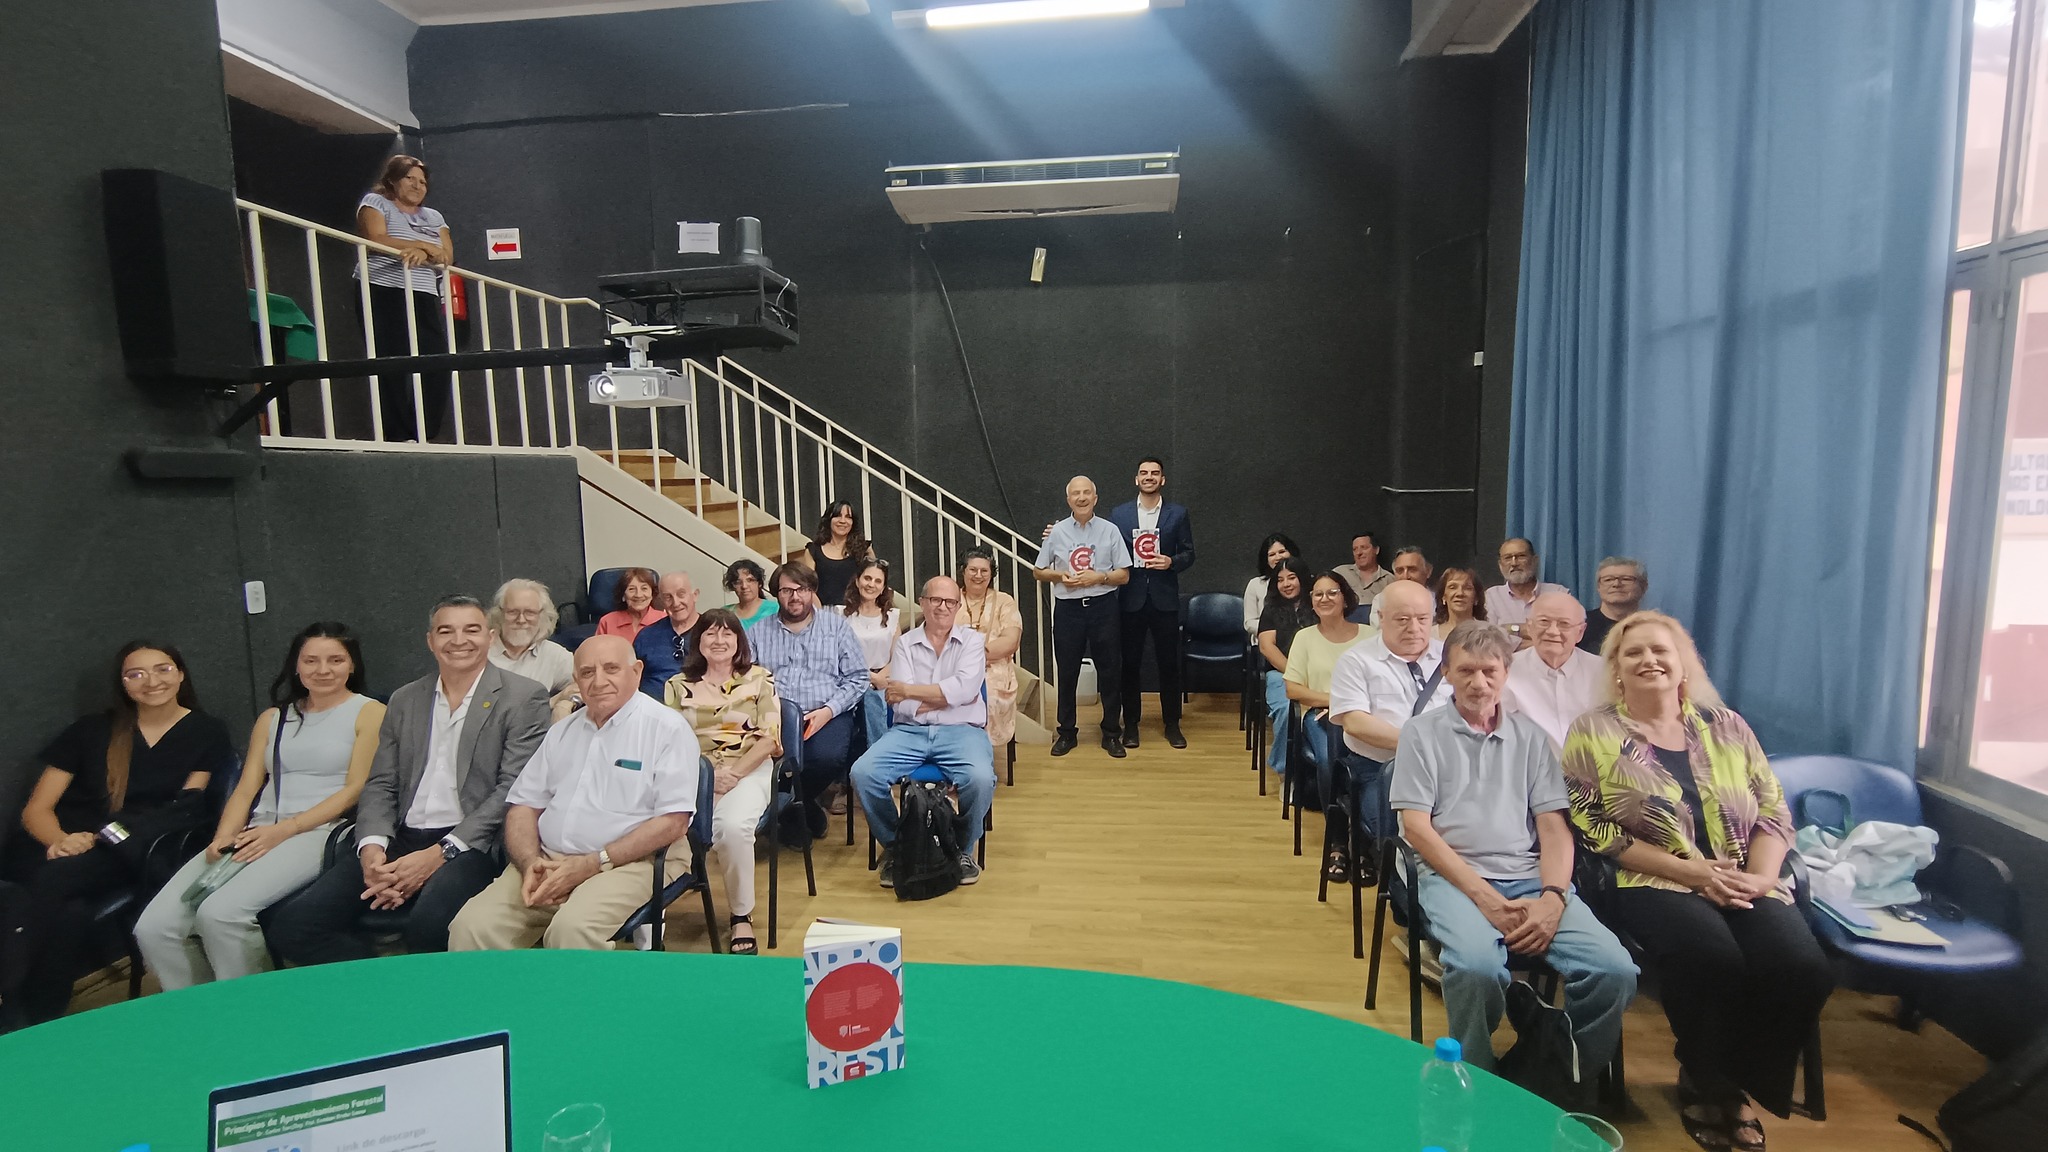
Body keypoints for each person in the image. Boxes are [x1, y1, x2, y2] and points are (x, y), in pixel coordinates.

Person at [1563, 611, 1831, 1149]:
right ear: (1616, 669)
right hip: (1654, 878)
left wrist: (1760, 879)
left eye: (1660, 650)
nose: (1649, 660)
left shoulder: (1727, 726)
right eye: (1633, 652)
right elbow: (1591, 823)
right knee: (1712, 959)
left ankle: (1738, 1076)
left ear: (1683, 662)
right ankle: (1706, 1080)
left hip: (1746, 875)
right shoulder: (1593, 730)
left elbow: (1773, 811)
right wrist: (1691, 872)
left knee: (1801, 966)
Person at [1391, 620, 1637, 1078]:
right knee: (1476, 967)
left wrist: (1552, 897)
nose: (1478, 683)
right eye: (1466, 671)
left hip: (1527, 875)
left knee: (1614, 969)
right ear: (1445, 673)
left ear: (1506, 673)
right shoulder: (1421, 735)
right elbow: (1418, 831)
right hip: (1452, 878)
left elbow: (1555, 829)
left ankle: (1568, 1072)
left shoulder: (1531, 738)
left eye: (1490, 671)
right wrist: (1485, 897)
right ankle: (1475, 1074)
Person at [265, 597, 551, 966]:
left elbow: (511, 790)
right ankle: (381, 995)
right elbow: (382, 782)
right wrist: (371, 848)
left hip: (471, 842)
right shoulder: (406, 699)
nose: (458, 640)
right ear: (430, 641)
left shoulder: (523, 697)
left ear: (490, 637)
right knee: (294, 926)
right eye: (446, 631)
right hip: (399, 837)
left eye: (471, 630)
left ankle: (427, 1011)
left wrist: (439, 854)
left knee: (430, 926)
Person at [134, 624, 385, 990]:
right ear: (296, 667)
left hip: (319, 832)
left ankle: (250, 1012)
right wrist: (224, 836)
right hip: (258, 829)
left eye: (335, 660)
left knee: (222, 915)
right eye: (311, 660)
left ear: (352, 666)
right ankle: (198, 1013)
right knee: (155, 927)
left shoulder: (369, 711)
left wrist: (286, 830)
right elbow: (247, 786)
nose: (323, 669)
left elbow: (355, 790)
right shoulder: (273, 718)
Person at [1, 643, 228, 1030]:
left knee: (49, 884)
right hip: (51, 847)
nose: (151, 681)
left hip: (125, 848)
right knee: (67, 914)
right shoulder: (91, 730)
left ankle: (8, 1001)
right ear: (122, 683)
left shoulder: (206, 731)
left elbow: (185, 808)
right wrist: (60, 841)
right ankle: (35, 1022)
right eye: (136, 674)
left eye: (162, 669)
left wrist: (96, 841)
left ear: (180, 673)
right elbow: (36, 810)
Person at [450, 636, 700, 952]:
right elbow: (523, 806)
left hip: (633, 862)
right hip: (547, 861)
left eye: (611, 669)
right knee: (471, 927)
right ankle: (499, 1002)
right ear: (576, 680)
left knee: (571, 932)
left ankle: (581, 1003)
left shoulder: (667, 729)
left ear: (636, 672)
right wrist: (530, 863)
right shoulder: (561, 732)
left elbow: (673, 822)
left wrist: (594, 862)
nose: (598, 681)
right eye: (586, 672)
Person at [854, 577, 995, 887]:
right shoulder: (905, 643)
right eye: (935, 600)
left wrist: (911, 691)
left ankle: (959, 848)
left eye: (950, 602)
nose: (942, 607)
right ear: (922, 602)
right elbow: (901, 704)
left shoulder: (972, 642)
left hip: (962, 732)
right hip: (910, 732)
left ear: (958, 606)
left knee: (981, 779)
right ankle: (897, 846)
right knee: (863, 772)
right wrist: (947, 699)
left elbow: (966, 689)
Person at [662, 610, 779, 954]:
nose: (719, 641)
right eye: (710, 634)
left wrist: (733, 775)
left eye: (727, 634)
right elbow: (668, 742)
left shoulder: (759, 679)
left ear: (738, 642)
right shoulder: (676, 685)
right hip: (692, 771)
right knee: (659, 823)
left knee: (731, 827)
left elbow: (770, 739)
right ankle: (652, 914)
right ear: (698, 641)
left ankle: (741, 915)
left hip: (747, 767)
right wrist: (705, 776)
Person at [1325, 581, 1454, 881]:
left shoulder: (1452, 658)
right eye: (1402, 619)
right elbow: (1354, 722)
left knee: (1466, 831)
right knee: (1408, 838)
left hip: (1451, 769)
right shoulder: (1357, 661)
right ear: (1381, 618)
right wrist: (1420, 747)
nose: (1414, 628)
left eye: (1423, 619)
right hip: (1380, 770)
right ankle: (1405, 900)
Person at [746, 561, 868, 841]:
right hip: (775, 717)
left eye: (802, 589)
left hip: (827, 712)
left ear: (812, 591)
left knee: (826, 758)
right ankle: (800, 810)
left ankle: (785, 807)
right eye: (786, 590)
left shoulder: (837, 628)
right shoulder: (758, 632)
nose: (795, 597)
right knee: (777, 760)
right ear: (775, 594)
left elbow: (859, 678)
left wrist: (828, 711)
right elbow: (747, 679)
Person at [354, 154, 455, 442]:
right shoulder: (375, 203)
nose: (417, 185)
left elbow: (447, 255)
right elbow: (376, 239)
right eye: (410, 178)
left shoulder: (434, 217)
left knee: (437, 363)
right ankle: (396, 436)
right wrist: (422, 244)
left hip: (423, 293)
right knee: (392, 363)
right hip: (382, 289)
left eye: (422, 181)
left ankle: (422, 433)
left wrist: (424, 252)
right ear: (393, 180)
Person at [1033, 476, 1134, 758]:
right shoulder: (1057, 532)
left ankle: (1112, 733)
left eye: (1086, 492)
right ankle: (1066, 732)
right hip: (1068, 610)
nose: (1081, 497)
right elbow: (1038, 571)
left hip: (1104, 607)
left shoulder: (1110, 530)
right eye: (1075, 493)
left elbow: (1124, 574)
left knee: (1111, 672)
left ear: (1095, 497)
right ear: (1068, 500)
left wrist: (1099, 577)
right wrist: (1059, 575)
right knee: (1066, 673)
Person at [1105, 456, 1196, 749]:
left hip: (1165, 599)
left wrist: (1171, 561)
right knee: (1129, 665)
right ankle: (1130, 725)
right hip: (1130, 598)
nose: (1149, 477)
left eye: (1155, 473)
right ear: (1136, 479)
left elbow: (1189, 553)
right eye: (1144, 472)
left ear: (1162, 480)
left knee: (1169, 665)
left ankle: (1172, 725)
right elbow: (1107, 550)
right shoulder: (1119, 515)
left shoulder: (1177, 514)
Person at [1282, 573, 1369, 770]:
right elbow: (1293, 690)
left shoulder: (1370, 635)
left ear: (1345, 599)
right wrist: (1335, 702)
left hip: (1364, 711)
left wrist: (1346, 705)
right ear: (1312, 602)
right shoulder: (1303, 637)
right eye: (1318, 594)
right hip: (1319, 713)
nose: (1324, 598)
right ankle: (1330, 802)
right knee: (1328, 759)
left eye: (1332, 593)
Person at [1503, 592, 1604, 751]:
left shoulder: (1603, 672)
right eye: (1544, 622)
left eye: (1564, 624)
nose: (1552, 631)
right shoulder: (1505, 671)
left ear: (1580, 632)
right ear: (1530, 627)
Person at [1255, 557, 1317, 777]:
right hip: (1281, 674)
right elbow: (1266, 646)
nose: (1286, 584)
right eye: (1280, 580)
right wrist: (1294, 672)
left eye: (1292, 578)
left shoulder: (1318, 604)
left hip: (1320, 673)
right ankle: (1285, 773)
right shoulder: (1271, 609)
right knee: (1286, 710)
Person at [959, 548, 1023, 751]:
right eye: (973, 570)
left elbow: (1011, 641)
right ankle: (954, 752)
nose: (978, 576)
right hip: (955, 666)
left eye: (984, 571)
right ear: (963, 571)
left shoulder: (1005, 601)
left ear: (991, 574)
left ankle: (979, 753)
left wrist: (974, 657)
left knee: (989, 697)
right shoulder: (950, 599)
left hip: (994, 668)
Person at [489, 578, 576, 722]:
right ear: (499, 614)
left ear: (542, 615)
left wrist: (565, 704)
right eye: (512, 612)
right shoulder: (480, 652)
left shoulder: (553, 654)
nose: (521, 619)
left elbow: (586, 682)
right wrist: (551, 702)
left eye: (530, 612)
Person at [844, 559, 904, 750]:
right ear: (857, 581)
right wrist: (870, 677)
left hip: (884, 678)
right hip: (850, 678)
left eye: (877, 581)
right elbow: (839, 656)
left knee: (876, 695)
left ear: (883, 586)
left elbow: (898, 656)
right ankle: (878, 754)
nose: (871, 584)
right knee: (869, 696)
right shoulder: (841, 615)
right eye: (867, 578)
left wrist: (880, 678)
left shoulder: (892, 616)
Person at [1484, 538, 1570, 640]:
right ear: (1500, 564)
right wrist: (1542, 640)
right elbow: (1489, 639)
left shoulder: (1558, 594)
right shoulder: (1491, 597)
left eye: (1521, 556)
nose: (1514, 563)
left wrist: (1510, 629)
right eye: (1507, 558)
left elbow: (1565, 635)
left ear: (1534, 560)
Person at [634, 571, 702, 698]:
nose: (675, 603)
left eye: (681, 594)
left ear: (695, 595)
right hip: (654, 711)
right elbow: (631, 680)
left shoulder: (713, 632)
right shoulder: (646, 636)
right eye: (668, 597)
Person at [806, 501, 874, 607]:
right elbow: (808, 587)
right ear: (829, 520)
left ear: (853, 522)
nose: (843, 521)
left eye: (848, 517)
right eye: (837, 516)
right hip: (824, 613)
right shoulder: (813, 550)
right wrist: (821, 615)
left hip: (857, 611)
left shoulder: (864, 549)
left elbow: (873, 582)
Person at [1580, 556, 1648, 654]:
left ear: (1644, 586)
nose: (1616, 584)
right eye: (1608, 580)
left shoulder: (1654, 628)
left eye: (1626, 579)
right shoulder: (1578, 625)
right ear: (1598, 587)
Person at [1243, 533, 1300, 638]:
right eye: (1272, 554)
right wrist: (1277, 629)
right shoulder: (1255, 584)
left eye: (1282, 552)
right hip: (1267, 639)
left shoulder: (1304, 581)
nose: (1278, 557)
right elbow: (1249, 623)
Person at [595, 567, 662, 642]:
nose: (638, 595)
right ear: (623, 595)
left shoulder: (666, 620)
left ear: (652, 594)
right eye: (631, 589)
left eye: (644, 588)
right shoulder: (607, 622)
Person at [1370, 546, 1433, 623]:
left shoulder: (1439, 601)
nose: (1405, 576)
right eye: (1400, 571)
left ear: (1428, 571)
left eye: (1412, 570)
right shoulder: (1381, 600)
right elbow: (1381, 632)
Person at [1334, 532, 1393, 607]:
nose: (1359, 552)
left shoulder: (1389, 580)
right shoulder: (1340, 573)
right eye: (1355, 549)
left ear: (1376, 550)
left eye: (1364, 547)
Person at [1434, 566, 1487, 640]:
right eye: (1452, 587)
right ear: (1443, 596)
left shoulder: (1488, 634)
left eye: (1467, 588)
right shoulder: (1429, 635)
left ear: (1476, 597)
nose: (1460, 593)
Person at [724, 559, 776, 629]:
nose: (744, 586)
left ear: (759, 583)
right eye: (738, 582)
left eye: (750, 580)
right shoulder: (725, 613)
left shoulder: (775, 609)